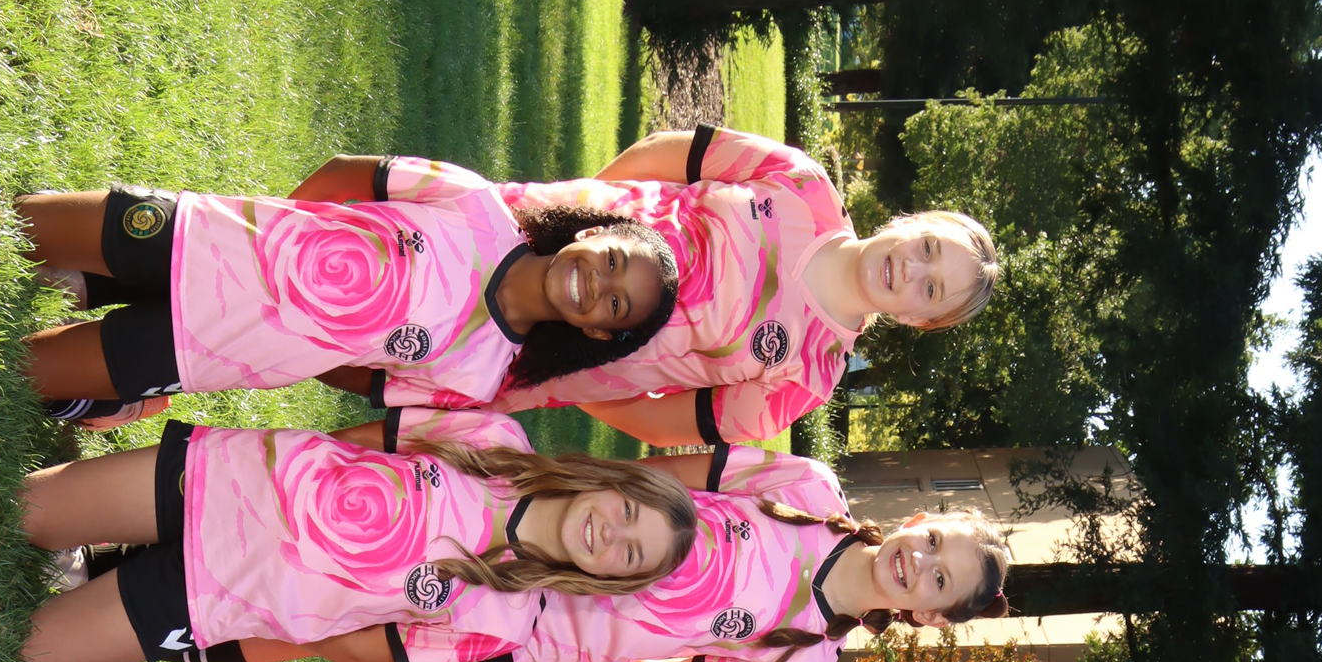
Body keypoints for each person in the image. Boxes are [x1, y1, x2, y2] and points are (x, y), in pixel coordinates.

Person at [17, 412, 1005, 662]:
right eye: (934, 542)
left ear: (928, 615)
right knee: (340, 522)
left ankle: (158, 626)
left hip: (528, 617)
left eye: (939, 580)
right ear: (919, 521)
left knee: (329, 619)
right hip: (553, 518)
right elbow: (670, 477)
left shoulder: (805, 660)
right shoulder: (807, 492)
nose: (920, 563)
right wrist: (594, 502)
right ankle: (123, 550)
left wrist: (580, 647)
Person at [388, 126, 998, 451]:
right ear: (910, 223)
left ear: (920, 321)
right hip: (525, 237)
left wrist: (575, 378)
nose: (912, 270)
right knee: (386, 241)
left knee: (386, 359)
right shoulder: (804, 186)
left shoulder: (807, 378)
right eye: (927, 248)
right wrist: (579, 215)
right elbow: (671, 154)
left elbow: (663, 426)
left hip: (525, 359)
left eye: (931, 290)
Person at [16, 412, 695, 662]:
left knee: (28, 661)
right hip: (224, 483)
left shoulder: (503, 620)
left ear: (606, 580)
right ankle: (86, 560)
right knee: (22, 512)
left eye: (630, 555)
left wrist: (293, 604)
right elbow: (364, 440)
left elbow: (363, 647)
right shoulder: (497, 439)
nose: (612, 535)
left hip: (220, 594)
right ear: (610, 480)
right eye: (627, 512)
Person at [14, 173, 679, 424]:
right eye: (613, 261)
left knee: (15, 371)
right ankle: (106, 288)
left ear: (597, 333)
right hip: (204, 234)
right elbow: (346, 176)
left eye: (615, 305)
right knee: (14, 227)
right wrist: (278, 245)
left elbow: (363, 377)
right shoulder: (476, 204)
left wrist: (300, 341)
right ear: (593, 233)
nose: (599, 284)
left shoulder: (477, 375)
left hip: (210, 350)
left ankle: (109, 394)